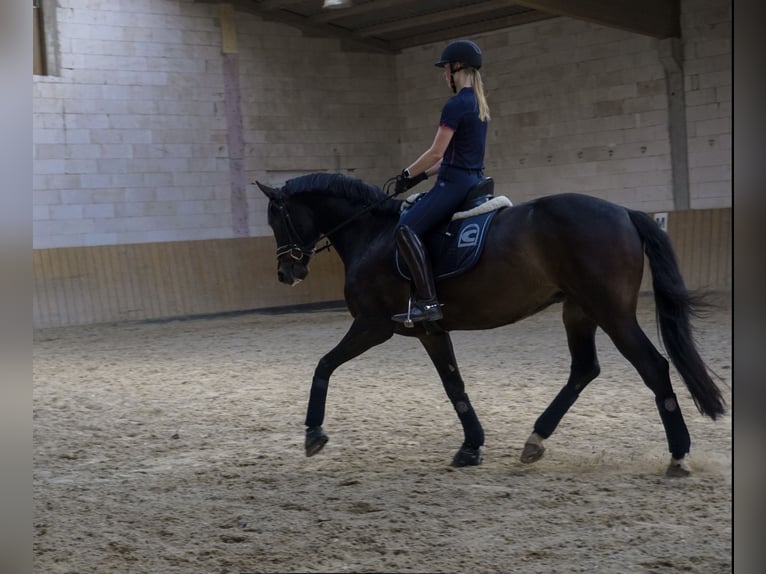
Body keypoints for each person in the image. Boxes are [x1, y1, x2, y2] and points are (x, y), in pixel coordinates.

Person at [392, 39, 490, 324]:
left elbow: (437, 151)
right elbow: (450, 159)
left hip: (454, 185)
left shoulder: (456, 104)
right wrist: (419, 177)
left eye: (445, 68)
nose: (443, 74)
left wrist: (406, 173)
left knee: (405, 227)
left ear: (456, 68)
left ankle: (427, 301)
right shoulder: (478, 104)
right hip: (474, 180)